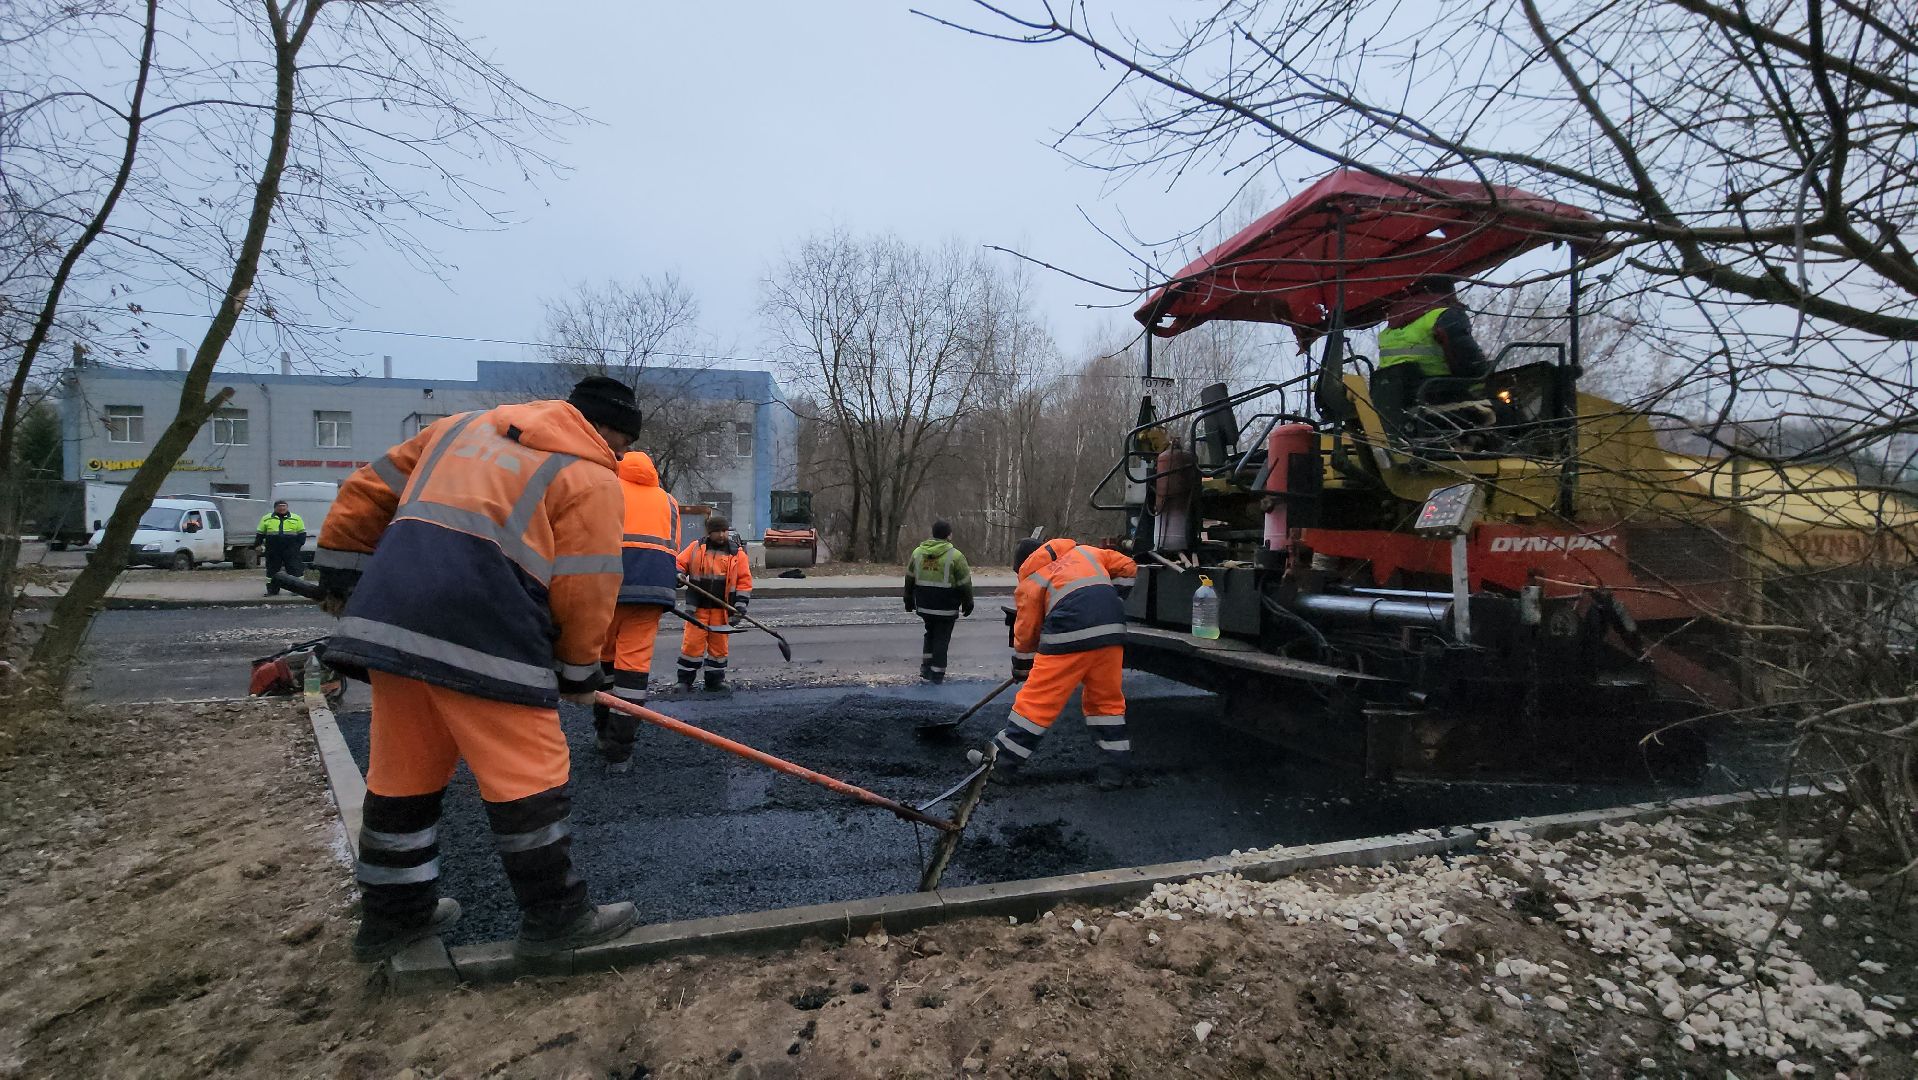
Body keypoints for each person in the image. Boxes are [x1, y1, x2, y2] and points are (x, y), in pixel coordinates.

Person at [314, 375, 643, 963]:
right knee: (527, 771)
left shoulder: (456, 430)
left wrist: (341, 578)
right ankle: (557, 919)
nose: (617, 457)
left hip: (391, 620)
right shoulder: (589, 476)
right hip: (489, 631)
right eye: (620, 446)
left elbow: (365, 490)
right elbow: (586, 585)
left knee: (403, 771)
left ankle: (393, 917)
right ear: (607, 431)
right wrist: (578, 671)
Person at [970, 536, 1137, 791]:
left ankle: (1001, 764)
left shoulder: (1033, 580)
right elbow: (1129, 567)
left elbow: (1026, 634)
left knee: (1037, 703)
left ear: (1022, 564)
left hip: (1067, 635)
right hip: (1110, 632)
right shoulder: (1087, 552)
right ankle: (1115, 771)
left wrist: (1023, 667)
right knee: (1106, 703)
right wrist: (1114, 597)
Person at [594, 450, 680, 770]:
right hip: (652, 591)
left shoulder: (606, 488)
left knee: (604, 659)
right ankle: (620, 754)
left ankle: (603, 732)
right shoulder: (669, 502)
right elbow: (672, 548)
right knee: (633, 670)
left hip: (608, 586)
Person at [1374, 276, 1490, 403]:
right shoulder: (1445, 316)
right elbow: (1468, 359)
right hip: (1439, 394)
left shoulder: (1388, 332)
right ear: (1450, 293)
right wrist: (1486, 385)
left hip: (1396, 402)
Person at [675, 514, 752, 692]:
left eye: (724, 530)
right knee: (692, 645)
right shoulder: (696, 548)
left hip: (722, 610)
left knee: (719, 648)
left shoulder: (737, 554)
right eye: (717, 531)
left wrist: (740, 605)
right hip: (697, 608)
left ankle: (715, 681)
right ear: (709, 532)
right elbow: (679, 563)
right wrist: (678, 574)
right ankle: (684, 681)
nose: (722, 534)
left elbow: (744, 581)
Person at [903, 519, 973, 683]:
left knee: (930, 634)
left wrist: (908, 598)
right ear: (949, 535)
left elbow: (910, 577)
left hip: (925, 605)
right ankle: (937, 674)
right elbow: (964, 583)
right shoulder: (955, 556)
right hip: (946, 606)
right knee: (942, 639)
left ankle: (926, 668)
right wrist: (968, 602)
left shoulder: (918, 553)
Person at [258, 499, 307, 596]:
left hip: (291, 549)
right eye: (279, 506)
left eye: (284, 506)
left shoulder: (296, 518)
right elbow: (260, 534)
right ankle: (272, 590)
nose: (282, 508)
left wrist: (297, 546)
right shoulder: (266, 518)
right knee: (272, 570)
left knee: (295, 569)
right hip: (273, 550)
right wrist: (257, 545)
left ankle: (298, 590)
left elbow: (302, 534)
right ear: (275, 508)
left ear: (287, 507)